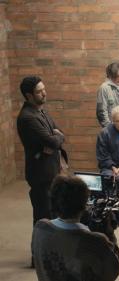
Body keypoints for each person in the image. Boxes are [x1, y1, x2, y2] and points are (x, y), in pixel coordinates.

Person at [32, 175, 119, 281]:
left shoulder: (40, 228)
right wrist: (110, 235)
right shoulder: (94, 241)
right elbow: (112, 271)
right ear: (84, 205)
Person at [17, 76, 65, 226]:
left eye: (44, 89)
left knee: (54, 213)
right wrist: (56, 137)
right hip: (40, 174)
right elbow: (53, 141)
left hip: (50, 170)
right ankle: (39, 249)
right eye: (39, 92)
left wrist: (56, 136)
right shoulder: (28, 118)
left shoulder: (40, 111)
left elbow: (59, 132)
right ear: (29, 95)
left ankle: (50, 248)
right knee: (43, 217)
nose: (44, 93)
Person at [96, 62, 119, 127]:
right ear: (110, 75)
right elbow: (101, 111)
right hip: (111, 128)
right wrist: (108, 128)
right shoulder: (104, 88)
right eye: (117, 76)